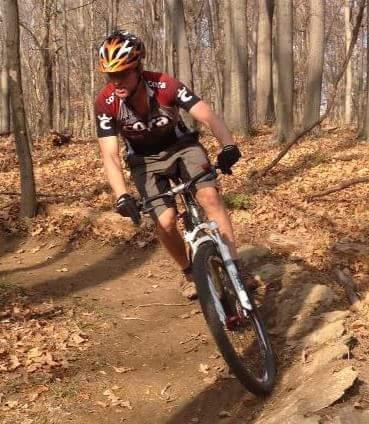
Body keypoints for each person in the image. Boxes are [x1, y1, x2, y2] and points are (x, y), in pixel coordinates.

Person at [95, 30, 241, 299]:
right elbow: (110, 155)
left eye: (123, 73)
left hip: (182, 147)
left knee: (209, 196)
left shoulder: (165, 85)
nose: (116, 81)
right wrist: (122, 195)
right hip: (144, 161)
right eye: (110, 75)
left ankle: (235, 270)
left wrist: (228, 145)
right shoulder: (106, 103)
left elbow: (207, 115)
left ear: (138, 68)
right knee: (166, 221)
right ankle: (189, 272)